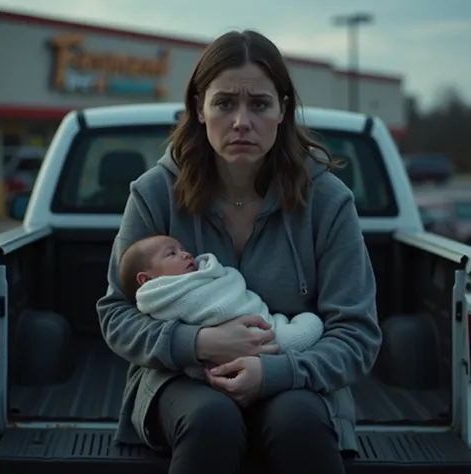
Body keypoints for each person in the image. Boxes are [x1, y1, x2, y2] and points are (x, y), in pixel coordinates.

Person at [96, 29, 382, 474]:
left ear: (282, 110)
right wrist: (199, 342)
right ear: (199, 108)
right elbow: (116, 313)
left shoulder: (328, 200)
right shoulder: (155, 193)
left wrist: (276, 373)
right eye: (225, 103)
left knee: (299, 424)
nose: (241, 121)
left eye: (260, 104)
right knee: (212, 420)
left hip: (299, 380)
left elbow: (357, 333)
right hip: (181, 379)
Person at [118, 234, 325, 379]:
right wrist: (200, 342)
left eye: (183, 249)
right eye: (171, 254)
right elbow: (216, 308)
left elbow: (228, 288)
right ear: (146, 279)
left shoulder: (199, 277)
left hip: (263, 336)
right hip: (263, 337)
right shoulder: (164, 298)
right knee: (310, 326)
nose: (186, 254)